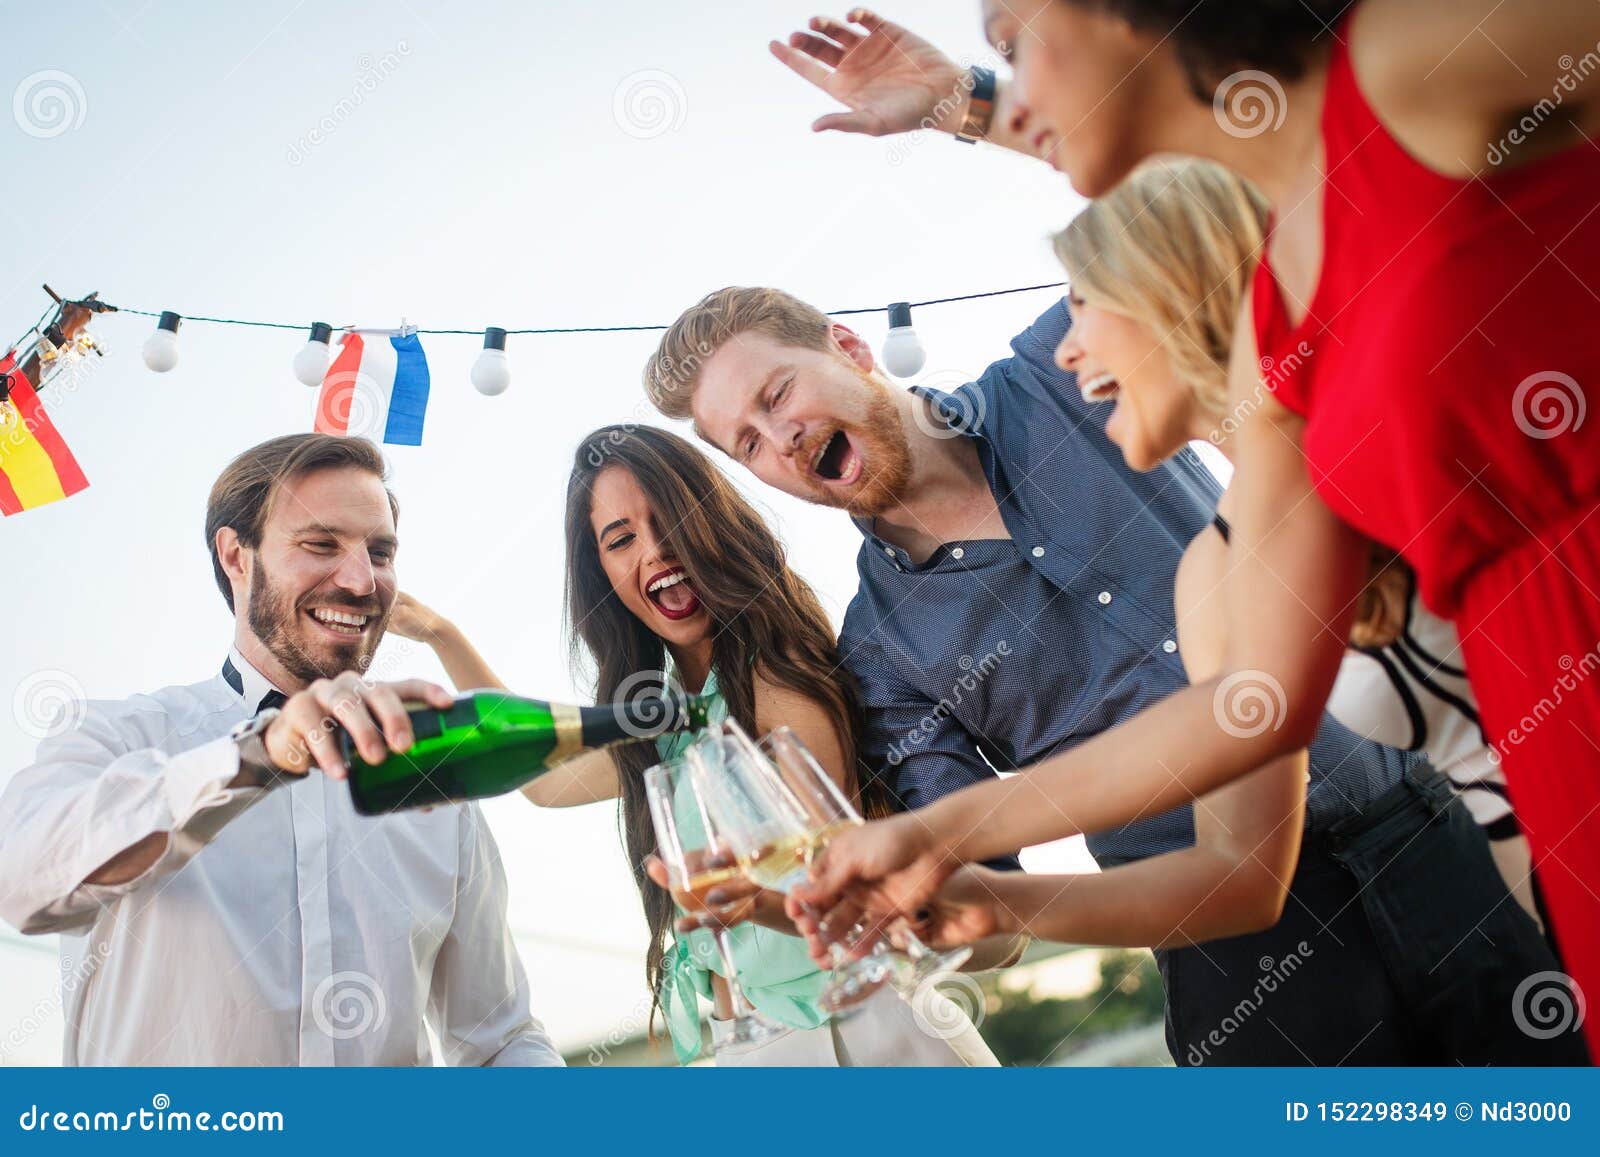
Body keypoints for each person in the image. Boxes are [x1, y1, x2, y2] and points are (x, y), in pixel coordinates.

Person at [771, 4, 1600, 1056]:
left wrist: (966, 106)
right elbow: (1244, 714)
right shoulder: (1284, 371)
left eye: (1014, 38)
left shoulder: (1404, 68)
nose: (1063, 346)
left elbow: (1184, 186)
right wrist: (932, 839)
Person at [639, 279, 1555, 1062]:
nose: (781, 440)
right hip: (1230, 951)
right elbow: (980, 904)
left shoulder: (1062, 367)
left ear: (848, 345)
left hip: (1433, 835)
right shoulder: (878, 655)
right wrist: (811, 902)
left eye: (778, 395)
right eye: (748, 443)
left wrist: (976, 108)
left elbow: (1180, 244)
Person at [392, 424, 999, 1066]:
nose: (653, 551)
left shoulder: (779, 674)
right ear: (603, 575)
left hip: (860, 1029)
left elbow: (818, 870)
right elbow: (544, 781)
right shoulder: (661, 722)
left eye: (671, 519)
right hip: (746, 1046)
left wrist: (734, 899)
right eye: (620, 540)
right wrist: (440, 634)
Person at [0, 433, 562, 1066]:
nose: (360, 581)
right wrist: (260, 755)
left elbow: (499, 1040)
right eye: (321, 544)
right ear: (236, 557)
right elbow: (23, 883)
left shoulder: (434, 780)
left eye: (379, 552)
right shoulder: (118, 735)